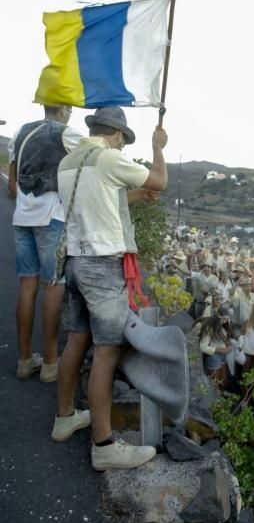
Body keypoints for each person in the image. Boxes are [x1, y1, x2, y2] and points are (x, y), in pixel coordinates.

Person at [51, 107, 168, 471]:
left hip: (75, 260)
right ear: (116, 134)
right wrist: (158, 146)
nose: (122, 143)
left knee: (77, 339)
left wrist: (133, 197)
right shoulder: (108, 158)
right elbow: (159, 180)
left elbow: (98, 201)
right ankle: (104, 445)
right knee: (107, 350)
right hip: (103, 266)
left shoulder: (70, 161)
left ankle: (65, 417)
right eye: (123, 138)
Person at [8, 104, 81, 382]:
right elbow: (96, 157)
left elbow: (11, 185)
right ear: (63, 108)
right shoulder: (66, 134)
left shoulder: (20, 132)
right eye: (71, 109)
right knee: (53, 285)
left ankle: (25, 360)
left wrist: (28, 201)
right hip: (51, 217)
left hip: (22, 216)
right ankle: (51, 363)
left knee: (27, 285)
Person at [199, 305, 233, 391]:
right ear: (217, 317)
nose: (225, 321)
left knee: (223, 381)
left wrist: (227, 343)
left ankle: (221, 397)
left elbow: (224, 338)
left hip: (222, 357)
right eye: (223, 319)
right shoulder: (209, 328)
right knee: (215, 384)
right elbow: (202, 347)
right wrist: (219, 349)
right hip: (214, 357)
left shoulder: (223, 325)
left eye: (227, 319)